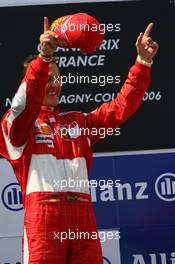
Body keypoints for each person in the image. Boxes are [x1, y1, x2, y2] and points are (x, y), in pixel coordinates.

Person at [0, 17, 158, 264]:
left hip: (83, 216)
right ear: (33, 81)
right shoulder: (19, 127)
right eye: (47, 79)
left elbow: (120, 108)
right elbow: (24, 101)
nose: (54, 85)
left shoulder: (78, 123)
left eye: (57, 78)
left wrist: (143, 62)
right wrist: (43, 58)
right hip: (43, 218)